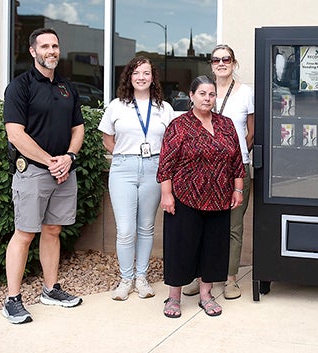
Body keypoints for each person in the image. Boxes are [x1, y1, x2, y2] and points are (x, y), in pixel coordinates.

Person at [1, 28, 85, 324]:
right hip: (34, 172)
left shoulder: (66, 87)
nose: (52, 50)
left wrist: (69, 157)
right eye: (45, 46)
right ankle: (12, 300)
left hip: (63, 172)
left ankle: (50, 290)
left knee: (53, 231)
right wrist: (51, 161)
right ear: (33, 51)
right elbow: (15, 133)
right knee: (24, 234)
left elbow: (78, 128)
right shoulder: (20, 87)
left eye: (55, 46)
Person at [157, 76, 245, 318]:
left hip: (219, 197)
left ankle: (206, 295)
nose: (207, 98)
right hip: (185, 196)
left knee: (213, 249)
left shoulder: (226, 124)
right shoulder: (179, 125)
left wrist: (238, 189)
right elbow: (165, 163)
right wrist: (167, 194)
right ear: (192, 96)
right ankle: (173, 297)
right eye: (203, 94)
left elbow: (236, 160)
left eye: (212, 94)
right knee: (181, 247)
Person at [99, 56, 176, 301]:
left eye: (146, 73)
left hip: (154, 167)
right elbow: (107, 139)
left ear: (153, 77)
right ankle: (125, 279)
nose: (141, 77)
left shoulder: (164, 108)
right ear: (129, 77)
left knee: (146, 227)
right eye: (136, 73)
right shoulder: (117, 106)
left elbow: (171, 143)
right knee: (125, 229)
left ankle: (141, 278)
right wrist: (126, 157)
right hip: (123, 168)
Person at [182, 45, 254, 301]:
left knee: (233, 226)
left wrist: (232, 154)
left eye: (226, 59)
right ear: (211, 64)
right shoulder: (205, 90)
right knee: (201, 226)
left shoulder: (246, 93)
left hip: (235, 169)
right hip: (200, 172)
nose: (221, 63)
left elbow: (250, 131)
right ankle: (199, 276)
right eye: (216, 59)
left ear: (234, 63)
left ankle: (231, 279)